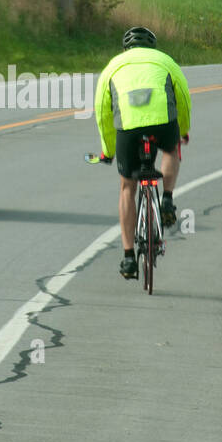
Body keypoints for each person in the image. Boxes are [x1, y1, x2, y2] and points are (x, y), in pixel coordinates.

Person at [93, 26, 191, 280]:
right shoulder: (165, 60)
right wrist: (184, 130)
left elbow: (103, 112)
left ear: (126, 49)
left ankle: (128, 258)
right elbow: (183, 97)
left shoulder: (113, 66)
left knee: (127, 187)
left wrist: (108, 150)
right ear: (153, 47)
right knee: (170, 149)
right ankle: (167, 199)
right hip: (162, 121)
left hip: (127, 127)